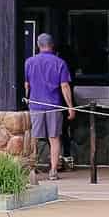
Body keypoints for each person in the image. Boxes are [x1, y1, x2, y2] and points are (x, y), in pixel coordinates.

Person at [23, 32, 75, 181]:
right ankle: (53, 170)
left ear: (38, 45)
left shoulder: (29, 62)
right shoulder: (60, 63)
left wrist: (27, 100)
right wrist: (70, 106)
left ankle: (31, 169)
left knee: (34, 138)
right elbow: (64, 86)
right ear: (52, 46)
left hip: (35, 104)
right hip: (54, 104)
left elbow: (26, 85)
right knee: (54, 138)